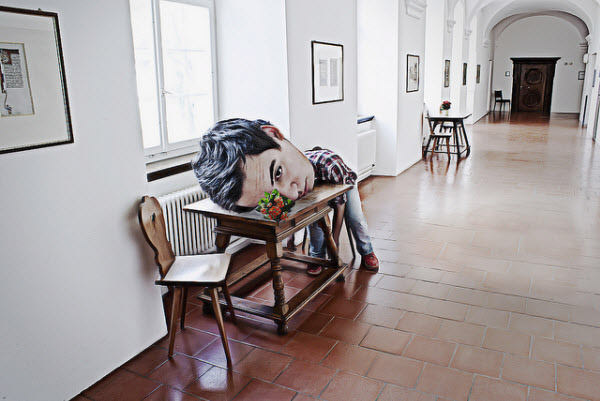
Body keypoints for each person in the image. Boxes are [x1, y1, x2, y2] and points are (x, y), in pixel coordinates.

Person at [192, 118, 379, 274]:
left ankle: (367, 251)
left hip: (344, 182)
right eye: (270, 195)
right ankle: (317, 258)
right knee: (316, 225)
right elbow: (283, 215)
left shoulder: (330, 164)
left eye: (278, 172)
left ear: (273, 134)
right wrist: (290, 237)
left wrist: (335, 241)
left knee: (356, 219)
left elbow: (340, 208)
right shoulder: (275, 189)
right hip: (316, 191)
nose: (291, 194)